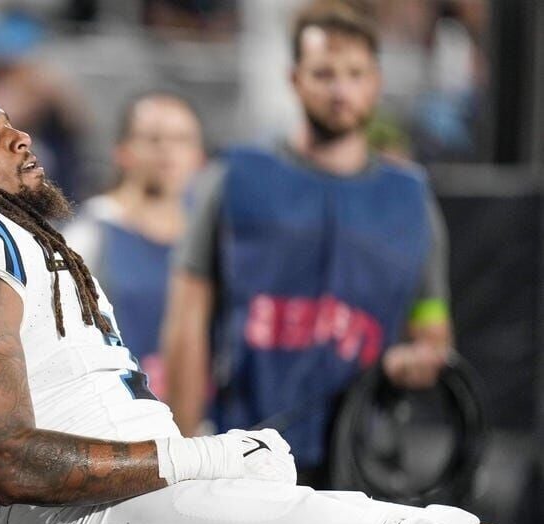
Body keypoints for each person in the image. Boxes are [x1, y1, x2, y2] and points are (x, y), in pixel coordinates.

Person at [0, 85, 544, 524]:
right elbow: (5, 455)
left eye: (13, 122)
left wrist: (198, 464)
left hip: (148, 507)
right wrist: (200, 455)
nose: (21, 135)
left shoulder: (14, 236)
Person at [164, 0, 452, 484]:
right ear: (295, 79)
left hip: (364, 458)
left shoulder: (411, 199)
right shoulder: (233, 178)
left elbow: (432, 322)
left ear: (376, 81)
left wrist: (423, 355)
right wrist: (182, 456)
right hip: (246, 453)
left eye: (355, 74)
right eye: (324, 74)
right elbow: (187, 322)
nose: (341, 91)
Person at [62, 91, 205, 397]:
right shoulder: (90, 235)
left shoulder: (212, 236)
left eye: (182, 140)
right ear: (123, 151)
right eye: (153, 139)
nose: (168, 151)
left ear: (199, 156)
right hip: (118, 416)